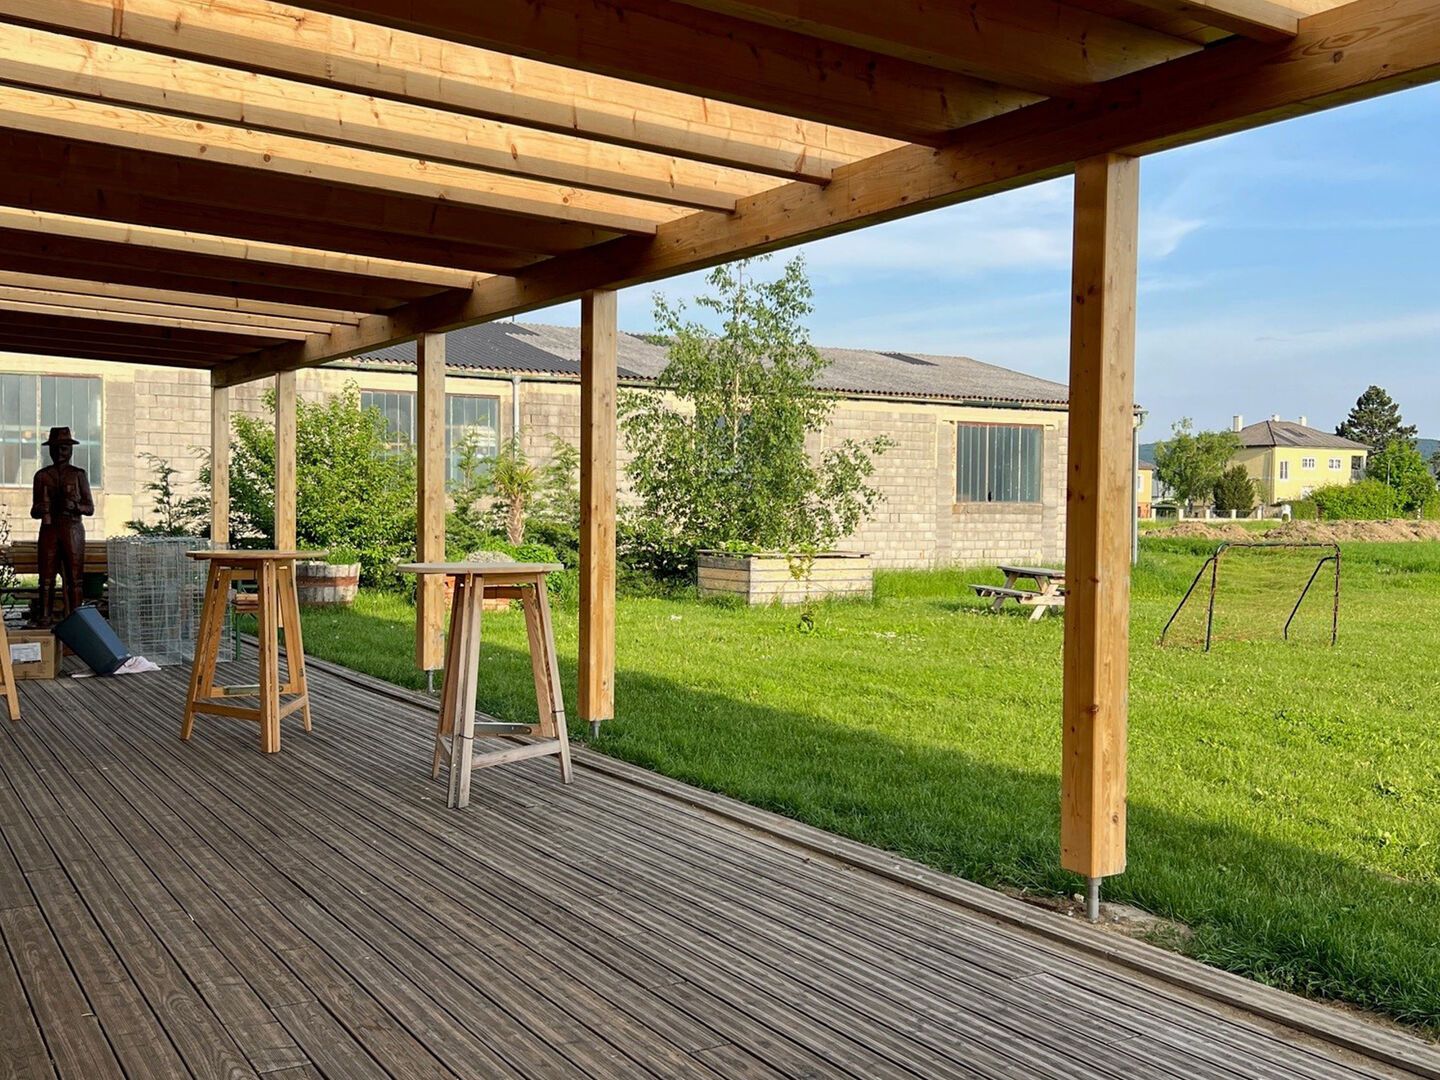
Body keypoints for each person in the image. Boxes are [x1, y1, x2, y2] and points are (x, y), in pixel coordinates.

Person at [31, 427, 94, 624]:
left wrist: (74, 506)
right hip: (49, 529)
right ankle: (45, 615)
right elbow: (33, 511)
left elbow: (90, 508)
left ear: (71, 450)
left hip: (72, 528)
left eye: (64, 448)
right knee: (46, 577)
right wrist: (41, 508)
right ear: (49, 450)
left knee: (75, 578)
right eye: (56, 448)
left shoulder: (78, 475)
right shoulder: (41, 476)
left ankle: (76, 617)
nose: (60, 452)